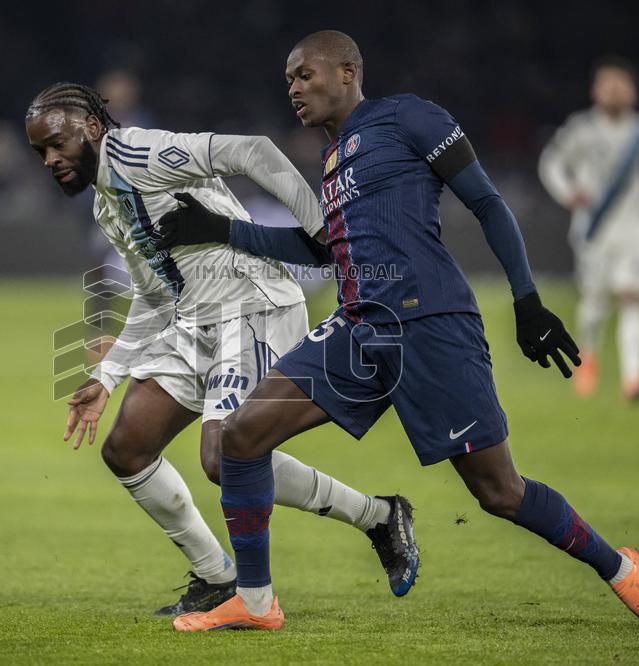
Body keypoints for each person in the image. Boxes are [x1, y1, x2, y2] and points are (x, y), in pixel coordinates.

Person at [157, 31, 639, 632]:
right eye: (289, 81)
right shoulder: (331, 160)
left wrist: (527, 300)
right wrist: (221, 230)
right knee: (239, 438)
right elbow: (320, 249)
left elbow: (488, 204)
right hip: (359, 328)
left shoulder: (410, 118)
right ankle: (255, 603)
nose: (295, 90)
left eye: (305, 75)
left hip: (428, 323)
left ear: (347, 71)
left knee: (499, 493)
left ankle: (622, 569)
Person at [24, 82, 419, 616]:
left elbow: (251, 150)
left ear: (92, 128)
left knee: (224, 457)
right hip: (193, 320)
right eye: (40, 151)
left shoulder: (140, 152)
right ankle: (215, 576)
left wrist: (320, 225)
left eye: (57, 143)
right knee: (127, 447)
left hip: (252, 307)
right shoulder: (106, 203)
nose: (50, 159)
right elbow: (152, 294)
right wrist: (107, 377)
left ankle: (376, 515)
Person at [539, 56, 639, 401]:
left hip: (634, 228)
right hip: (594, 228)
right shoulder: (581, 128)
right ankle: (588, 357)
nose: (615, 91)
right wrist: (567, 191)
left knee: (633, 296)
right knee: (595, 299)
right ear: (595, 90)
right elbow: (551, 163)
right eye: (608, 84)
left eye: (621, 85)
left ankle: (634, 377)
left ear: (633, 92)